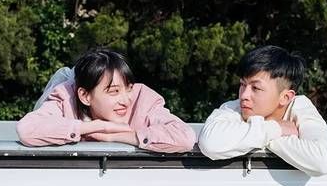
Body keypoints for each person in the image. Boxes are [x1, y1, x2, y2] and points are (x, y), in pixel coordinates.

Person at [16, 48, 196, 153]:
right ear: (85, 96)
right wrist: (97, 127)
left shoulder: (142, 98)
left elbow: (185, 137)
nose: (125, 100)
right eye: (114, 92)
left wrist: (120, 137)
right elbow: (27, 129)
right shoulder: (66, 97)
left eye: (128, 88)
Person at [198, 45, 327, 176]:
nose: (244, 95)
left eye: (256, 88)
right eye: (242, 84)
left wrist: (260, 135)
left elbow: (322, 162)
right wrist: (276, 129)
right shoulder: (234, 107)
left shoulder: (300, 107)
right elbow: (210, 143)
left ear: (285, 97)